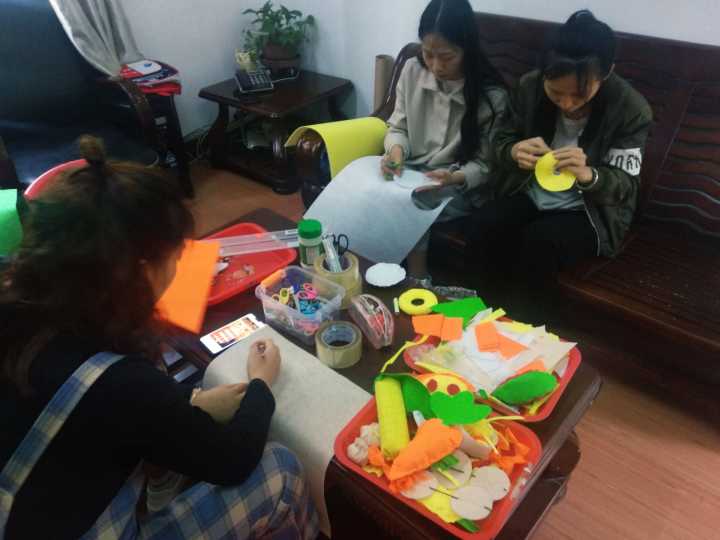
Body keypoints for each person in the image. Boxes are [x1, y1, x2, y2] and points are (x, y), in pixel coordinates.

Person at [0, 137, 318, 539]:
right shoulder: (124, 383)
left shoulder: (19, 303)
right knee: (280, 470)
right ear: (141, 270)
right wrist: (261, 385)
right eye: (176, 254)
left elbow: (97, 418)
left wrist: (191, 403)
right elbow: (233, 459)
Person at [471, 10, 652, 323]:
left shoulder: (630, 109)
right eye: (555, 92)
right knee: (486, 223)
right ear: (544, 73)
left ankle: (525, 333)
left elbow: (625, 186)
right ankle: (477, 320)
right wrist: (512, 151)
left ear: (606, 73)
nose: (567, 104)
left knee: (540, 242)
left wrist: (590, 175)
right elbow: (499, 139)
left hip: (590, 211)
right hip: (530, 190)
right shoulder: (529, 87)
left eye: (580, 94)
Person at [381, 0, 509, 283]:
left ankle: (418, 280)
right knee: (371, 186)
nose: (436, 66)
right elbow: (397, 126)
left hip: (457, 185)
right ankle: (369, 271)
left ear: (467, 49)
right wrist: (396, 152)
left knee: (414, 200)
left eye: (447, 57)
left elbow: (486, 166)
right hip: (411, 170)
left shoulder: (491, 96)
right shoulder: (412, 71)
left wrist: (453, 178)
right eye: (428, 54)